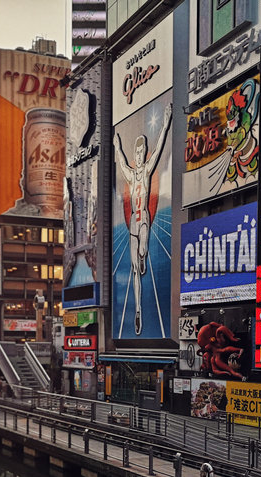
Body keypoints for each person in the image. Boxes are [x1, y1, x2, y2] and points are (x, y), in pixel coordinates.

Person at [114, 102, 172, 336]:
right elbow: (119, 160)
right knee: (135, 271)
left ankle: (143, 255)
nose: (138, 156)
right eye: (136, 153)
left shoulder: (147, 171)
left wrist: (166, 121)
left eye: (140, 152)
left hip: (144, 221)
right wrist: (117, 145)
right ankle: (138, 310)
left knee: (142, 250)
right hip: (133, 228)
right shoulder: (130, 174)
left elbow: (158, 148)